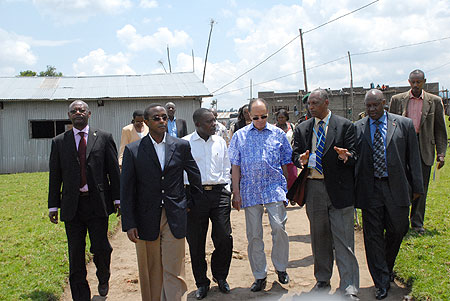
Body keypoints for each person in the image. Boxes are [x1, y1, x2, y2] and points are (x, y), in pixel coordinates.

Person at [120, 103, 202, 301]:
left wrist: (189, 202)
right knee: (152, 267)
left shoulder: (180, 145)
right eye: (156, 118)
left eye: (164, 117)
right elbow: (127, 189)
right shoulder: (134, 150)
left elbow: (194, 175)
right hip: (146, 216)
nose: (162, 121)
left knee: (174, 267)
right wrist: (129, 223)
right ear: (147, 122)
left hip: (174, 214)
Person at [48, 100, 120, 300]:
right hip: (72, 206)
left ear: (89, 114)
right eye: (74, 111)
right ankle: (80, 295)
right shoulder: (59, 142)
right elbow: (55, 176)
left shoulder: (104, 138)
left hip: (98, 203)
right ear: (69, 116)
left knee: (101, 247)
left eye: (82, 110)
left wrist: (117, 199)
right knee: (75, 253)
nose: (78, 112)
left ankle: (103, 276)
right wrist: (53, 205)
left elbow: (113, 171)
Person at [355, 89, 424, 300]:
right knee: (373, 236)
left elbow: (413, 158)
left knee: (398, 228)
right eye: (368, 106)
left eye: (375, 105)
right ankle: (381, 281)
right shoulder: (357, 128)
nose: (372, 110)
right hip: (370, 189)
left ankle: (386, 265)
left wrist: (417, 188)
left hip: (396, 187)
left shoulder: (403, 124)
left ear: (384, 104)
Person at [292, 89, 359, 300]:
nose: (311, 107)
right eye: (309, 104)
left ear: (326, 103)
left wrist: (346, 157)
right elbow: (295, 155)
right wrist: (300, 160)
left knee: (344, 239)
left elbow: (356, 156)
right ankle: (322, 278)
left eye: (315, 103)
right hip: (315, 188)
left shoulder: (345, 126)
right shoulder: (302, 129)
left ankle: (348, 285)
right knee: (319, 237)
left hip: (339, 189)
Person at [228, 98, 291, 292]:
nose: (260, 120)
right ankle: (260, 275)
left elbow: (285, 164)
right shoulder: (240, 136)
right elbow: (235, 166)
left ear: (268, 114)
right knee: (254, 234)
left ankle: (281, 267)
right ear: (249, 115)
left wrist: (287, 189)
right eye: (256, 117)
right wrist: (236, 192)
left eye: (264, 116)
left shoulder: (278, 134)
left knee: (279, 227)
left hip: (273, 187)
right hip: (250, 189)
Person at [389, 69, 447, 234]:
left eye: (418, 82)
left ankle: (417, 223)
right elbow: (390, 127)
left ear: (424, 82)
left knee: (420, 187)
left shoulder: (434, 101)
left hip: (424, 148)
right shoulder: (397, 100)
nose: (415, 85)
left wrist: (441, 153)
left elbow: (440, 130)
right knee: (400, 185)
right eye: (413, 82)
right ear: (409, 82)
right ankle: (400, 222)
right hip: (402, 149)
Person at [183, 108, 233, 300]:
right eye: (209, 121)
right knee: (196, 241)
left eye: (214, 120)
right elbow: (180, 171)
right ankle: (201, 282)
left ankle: (220, 276)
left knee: (224, 237)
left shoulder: (220, 141)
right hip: (195, 195)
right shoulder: (186, 143)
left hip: (219, 194)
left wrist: (227, 189)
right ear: (197, 124)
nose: (214, 124)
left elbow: (226, 166)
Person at [275, 109, 297, 189]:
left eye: (282, 117)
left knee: (293, 176)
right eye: (279, 117)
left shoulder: (291, 127)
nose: (281, 119)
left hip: (290, 157)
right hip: (277, 157)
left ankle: (292, 195)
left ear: (286, 118)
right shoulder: (273, 128)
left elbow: (295, 139)